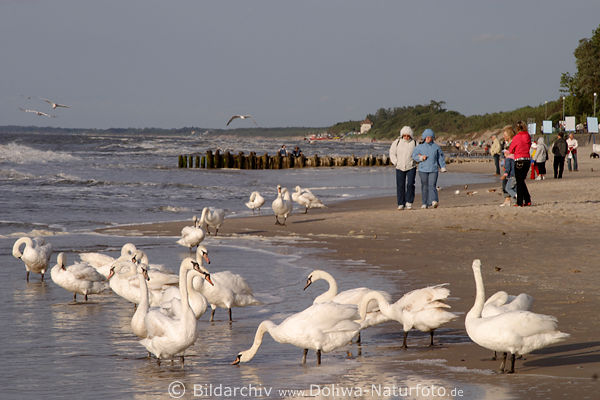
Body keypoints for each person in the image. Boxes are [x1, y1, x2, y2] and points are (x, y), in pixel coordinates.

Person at [412, 129, 447, 209]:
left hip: (433, 170)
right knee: (424, 186)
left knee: (432, 185)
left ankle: (434, 201)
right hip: (422, 170)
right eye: (426, 137)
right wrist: (420, 158)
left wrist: (442, 166)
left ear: (432, 137)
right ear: (424, 137)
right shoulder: (419, 147)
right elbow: (414, 155)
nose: (428, 138)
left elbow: (440, 157)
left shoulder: (436, 147)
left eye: (430, 137)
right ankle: (425, 203)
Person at [389, 126, 417, 210]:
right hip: (399, 166)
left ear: (411, 135)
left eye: (408, 135)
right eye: (404, 135)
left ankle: (409, 202)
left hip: (411, 166)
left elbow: (418, 153)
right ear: (402, 135)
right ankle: (401, 203)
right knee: (400, 185)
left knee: (410, 184)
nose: (406, 137)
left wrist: (416, 160)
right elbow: (392, 153)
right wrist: (395, 162)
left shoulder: (414, 143)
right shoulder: (396, 142)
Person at [508, 121, 532, 206]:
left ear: (517, 129)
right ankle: (527, 199)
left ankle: (520, 202)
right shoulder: (528, 136)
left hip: (519, 160)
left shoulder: (516, 137)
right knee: (521, 181)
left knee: (519, 181)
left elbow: (510, 150)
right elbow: (529, 146)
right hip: (527, 160)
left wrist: (515, 151)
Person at [499, 125, 516, 206]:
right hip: (507, 163)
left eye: (505, 135)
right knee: (505, 182)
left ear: (509, 135)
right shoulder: (506, 143)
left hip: (512, 165)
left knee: (508, 182)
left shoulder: (512, 143)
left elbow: (510, 155)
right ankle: (507, 199)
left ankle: (510, 199)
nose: (503, 136)